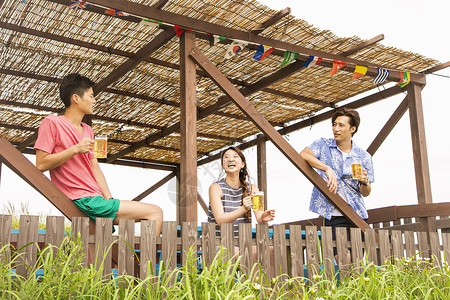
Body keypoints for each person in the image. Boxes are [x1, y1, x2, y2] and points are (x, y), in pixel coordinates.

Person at [34, 73, 163, 235]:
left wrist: (108, 199)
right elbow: (41, 164)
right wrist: (75, 149)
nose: (95, 101)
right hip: (83, 199)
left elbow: (95, 168)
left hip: (96, 199)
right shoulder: (52, 123)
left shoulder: (88, 130)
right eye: (91, 96)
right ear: (76, 98)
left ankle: (141, 259)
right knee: (155, 212)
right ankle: (147, 261)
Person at [300, 108, 374, 240]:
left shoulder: (364, 156)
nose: (335, 128)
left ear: (353, 129)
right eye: (334, 124)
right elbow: (304, 154)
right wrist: (327, 168)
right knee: (340, 257)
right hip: (332, 214)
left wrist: (365, 182)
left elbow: (366, 193)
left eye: (341, 125)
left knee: (357, 259)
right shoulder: (323, 145)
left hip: (358, 214)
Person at [207, 146, 275, 237]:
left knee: (271, 249)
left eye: (235, 156)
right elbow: (220, 221)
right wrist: (243, 209)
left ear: (242, 164)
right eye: (226, 157)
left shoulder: (253, 189)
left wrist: (263, 218)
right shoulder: (215, 188)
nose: (230, 159)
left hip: (244, 243)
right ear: (223, 165)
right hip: (220, 244)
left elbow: (259, 217)